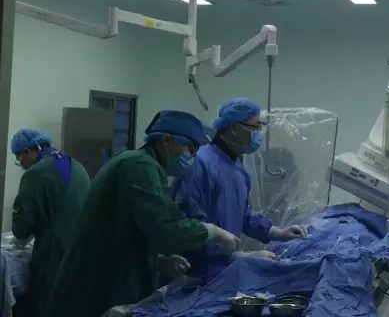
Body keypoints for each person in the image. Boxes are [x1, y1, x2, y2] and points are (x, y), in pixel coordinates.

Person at [47, 110, 240, 317]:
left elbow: (129, 229)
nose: (192, 157)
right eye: (190, 149)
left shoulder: (138, 164)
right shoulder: (140, 166)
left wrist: (158, 261)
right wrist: (211, 231)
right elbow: (164, 231)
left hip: (108, 272)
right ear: (166, 140)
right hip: (98, 284)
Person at [174, 98, 308, 280]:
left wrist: (278, 232)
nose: (259, 134)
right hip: (194, 273)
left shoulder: (238, 169)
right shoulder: (201, 164)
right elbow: (189, 226)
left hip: (222, 272)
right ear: (234, 128)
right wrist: (238, 256)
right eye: (255, 128)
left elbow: (243, 214)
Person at [10, 129, 90, 317]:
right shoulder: (76, 165)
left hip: (55, 255)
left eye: (18, 157)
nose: (20, 163)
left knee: (46, 306)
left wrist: (19, 234)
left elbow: (21, 226)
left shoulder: (36, 173)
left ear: (27, 151)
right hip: (82, 252)